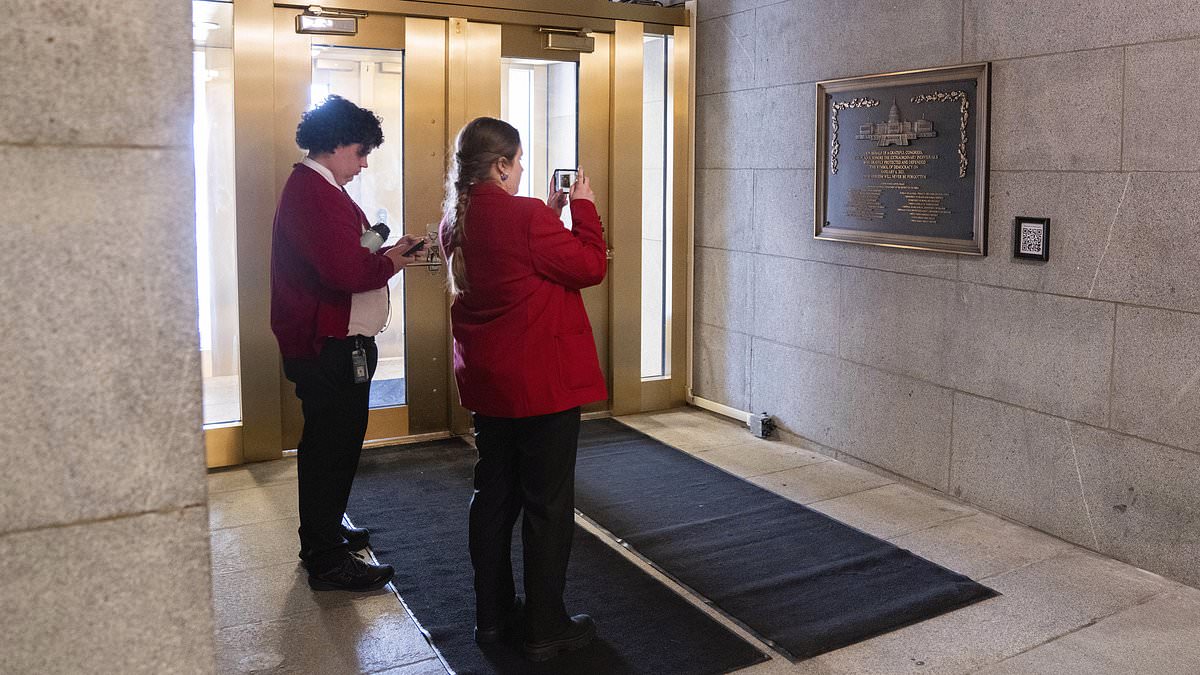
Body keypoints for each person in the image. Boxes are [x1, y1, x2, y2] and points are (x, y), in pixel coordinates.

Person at [439, 117, 608, 662]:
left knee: (493, 498)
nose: (520, 171)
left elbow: (517, 265)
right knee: (547, 505)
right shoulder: (526, 215)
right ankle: (545, 626)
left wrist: (551, 215)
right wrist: (583, 209)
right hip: (541, 385)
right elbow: (588, 266)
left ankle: (492, 617)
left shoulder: (455, 220)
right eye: (517, 162)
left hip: (489, 385)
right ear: (500, 165)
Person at [270, 95, 423, 592]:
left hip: (334, 340)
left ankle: (326, 530)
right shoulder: (314, 192)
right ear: (336, 144)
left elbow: (350, 253)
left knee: (334, 443)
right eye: (360, 152)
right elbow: (345, 270)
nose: (363, 164)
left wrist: (388, 249)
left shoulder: (320, 188)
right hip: (328, 344)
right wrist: (392, 262)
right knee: (330, 448)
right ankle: (325, 557)